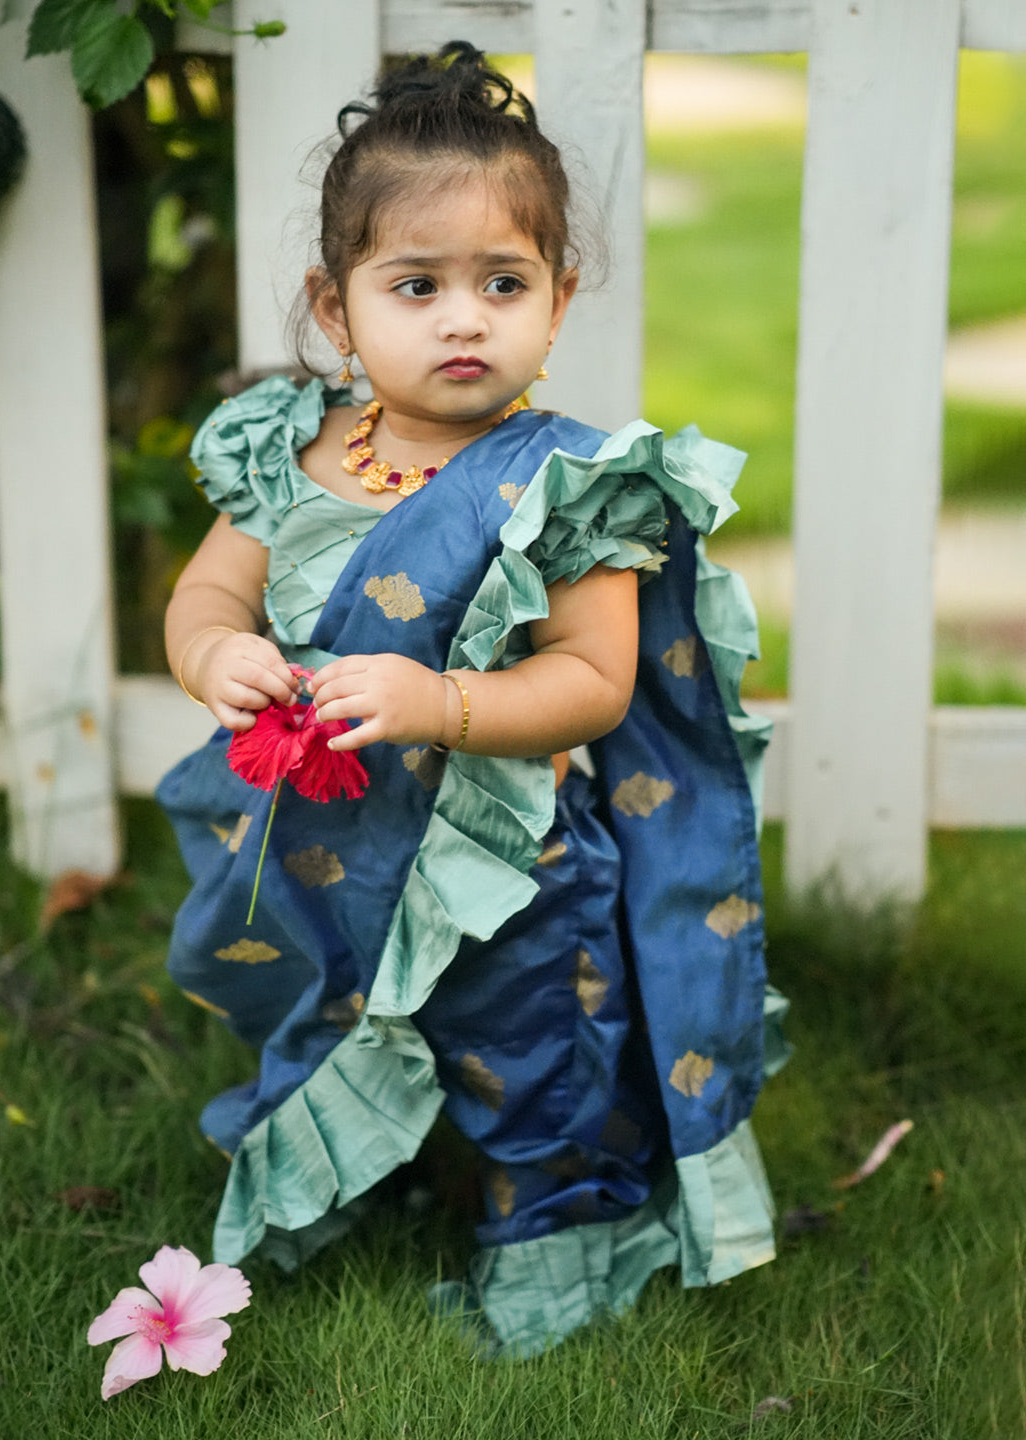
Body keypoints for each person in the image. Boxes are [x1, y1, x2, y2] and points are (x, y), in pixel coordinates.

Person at [157, 41, 788, 1358]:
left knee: (527, 1050)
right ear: (337, 311)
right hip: (325, 853)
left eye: (504, 283)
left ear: (556, 306)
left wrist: (438, 697)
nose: (464, 317)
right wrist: (218, 658)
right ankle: (368, 1175)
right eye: (418, 284)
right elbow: (205, 602)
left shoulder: (568, 486)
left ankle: (544, 1236)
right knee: (345, 1011)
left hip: (512, 868)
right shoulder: (291, 457)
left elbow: (594, 683)